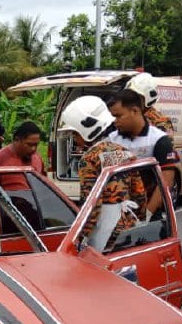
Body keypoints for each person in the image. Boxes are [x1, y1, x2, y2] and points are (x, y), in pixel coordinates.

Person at [60, 96, 145, 250]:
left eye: (75, 133)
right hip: (128, 225)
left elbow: (92, 204)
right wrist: (140, 219)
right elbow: (139, 193)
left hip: (105, 232)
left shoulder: (89, 159)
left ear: (87, 130)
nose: (74, 138)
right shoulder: (125, 152)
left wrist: (81, 235)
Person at [106, 89, 179, 216]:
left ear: (135, 111)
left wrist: (148, 213)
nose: (115, 121)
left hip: (151, 214)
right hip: (118, 214)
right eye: (113, 117)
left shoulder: (159, 139)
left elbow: (166, 179)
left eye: (118, 116)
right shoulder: (111, 140)